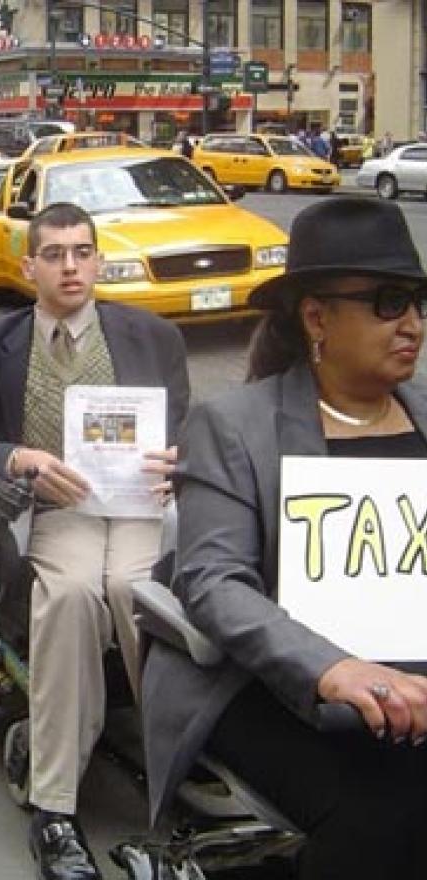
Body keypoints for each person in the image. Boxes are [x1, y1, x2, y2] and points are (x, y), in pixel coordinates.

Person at [141, 197, 427, 879]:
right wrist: (333, 668)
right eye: (388, 302)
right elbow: (214, 583)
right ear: (317, 316)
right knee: (389, 810)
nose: (412, 324)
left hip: (412, 676)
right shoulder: (234, 425)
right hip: (268, 680)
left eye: (417, 302)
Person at [0, 202, 190, 880]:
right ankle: (55, 808)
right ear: (28, 265)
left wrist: (180, 460)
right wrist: (18, 460)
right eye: (56, 254)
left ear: (98, 259)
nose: (71, 265)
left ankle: (175, 763)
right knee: (68, 594)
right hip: (53, 510)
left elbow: (193, 434)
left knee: (136, 590)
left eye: (82, 252)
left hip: (135, 507)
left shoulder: (153, 336)